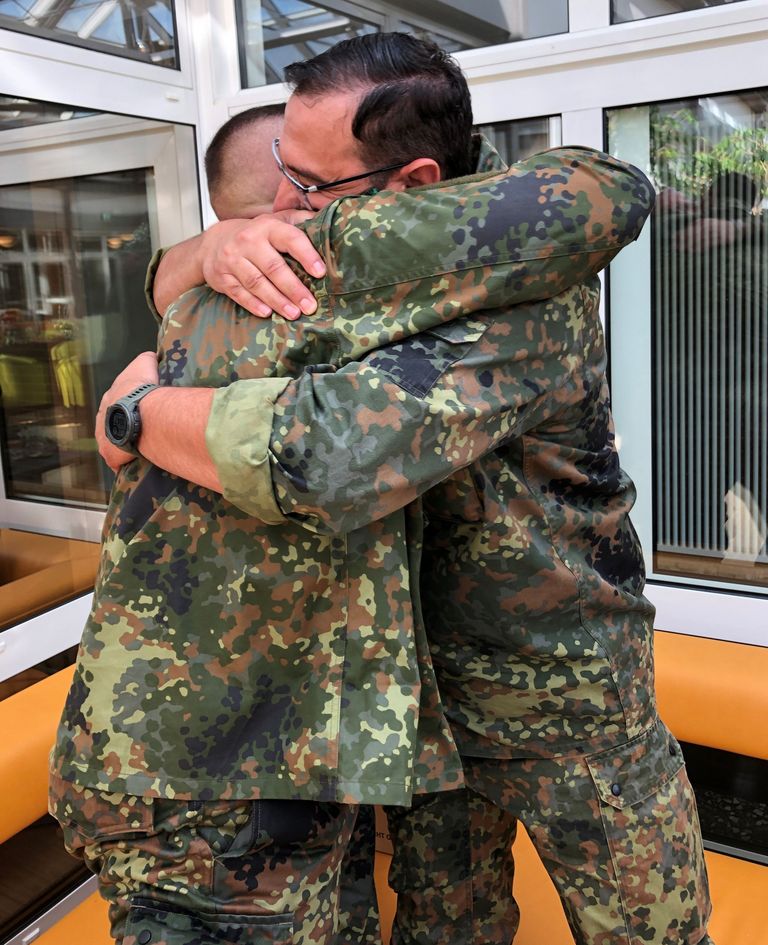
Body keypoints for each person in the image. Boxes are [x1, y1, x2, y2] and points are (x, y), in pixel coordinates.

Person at [50, 34, 703, 945]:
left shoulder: (526, 303)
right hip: (419, 696)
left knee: (648, 928)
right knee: (445, 925)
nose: (284, 206)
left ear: (412, 186)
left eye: (312, 187)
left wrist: (140, 409)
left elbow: (321, 456)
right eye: (282, 168)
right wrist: (202, 250)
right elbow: (193, 306)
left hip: (565, 692)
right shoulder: (336, 296)